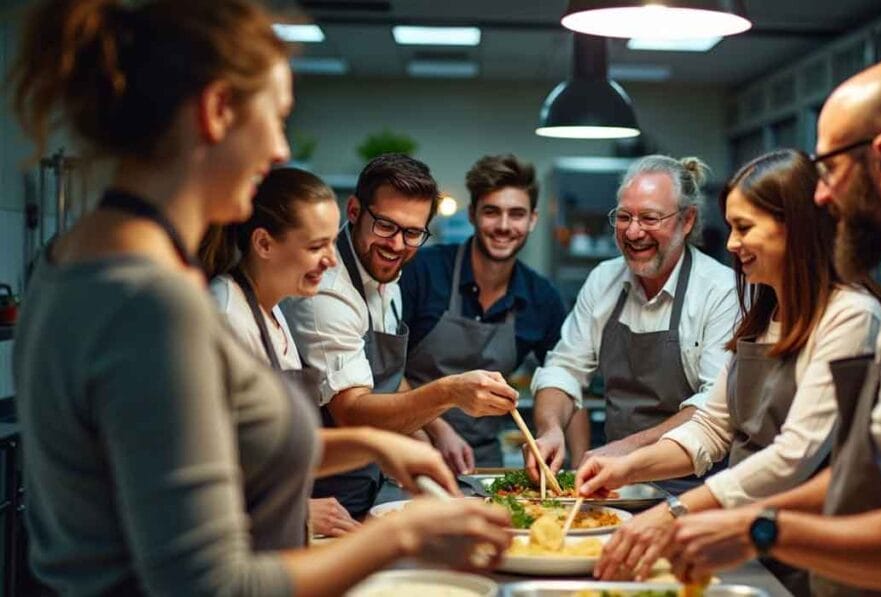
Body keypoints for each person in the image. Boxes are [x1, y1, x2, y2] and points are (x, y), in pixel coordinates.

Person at [10, 1, 510, 594]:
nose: (278, 150)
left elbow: (215, 454)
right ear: (218, 111)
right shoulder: (153, 304)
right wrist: (406, 534)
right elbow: (211, 585)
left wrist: (372, 443)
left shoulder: (71, 257)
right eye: (276, 119)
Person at [663, 58, 881, 596]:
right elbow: (878, 471)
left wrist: (759, 528)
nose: (822, 197)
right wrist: (721, 518)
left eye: (829, 170)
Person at [576, 150, 881, 594]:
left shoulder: (851, 315)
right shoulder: (764, 312)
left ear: (795, 226)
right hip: (744, 541)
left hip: (814, 552)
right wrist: (623, 468)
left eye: (745, 227)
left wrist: (675, 511)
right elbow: (711, 427)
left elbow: (794, 455)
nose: (732, 243)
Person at [281, 153, 519, 516]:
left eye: (412, 233)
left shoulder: (387, 274)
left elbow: (387, 379)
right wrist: (449, 392)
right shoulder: (326, 291)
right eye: (385, 226)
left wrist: (435, 432)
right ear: (355, 211)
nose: (396, 245)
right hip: (323, 498)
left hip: (370, 482)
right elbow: (354, 413)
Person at [527, 155, 739, 493]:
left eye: (650, 218)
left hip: (696, 490)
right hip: (613, 487)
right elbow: (564, 369)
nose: (633, 231)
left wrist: (625, 451)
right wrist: (550, 428)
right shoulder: (603, 280)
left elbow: (713, 408)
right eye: (624, 217)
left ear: (687, 221)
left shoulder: (720, 291)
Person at [199, 166, 368, 537]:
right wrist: (301, 510)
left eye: (331, 243)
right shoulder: (225, 315)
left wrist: (384, 449)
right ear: (263, 244)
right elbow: (208, 463)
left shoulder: (272, 307)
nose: (332, 259)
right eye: (315, 246)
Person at [399, 154, 569, 471]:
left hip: (482, 463)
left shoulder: (541, 298)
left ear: (532, 219)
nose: (504, 226)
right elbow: (385, 368)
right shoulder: (422, 271)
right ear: (473, 215)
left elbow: (566, 378)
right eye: (492, 212)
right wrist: (439, 428)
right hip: (407, 448)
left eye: (516, 214)